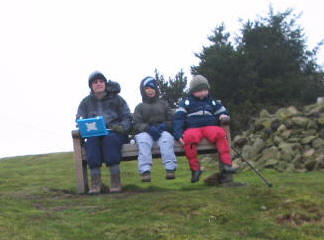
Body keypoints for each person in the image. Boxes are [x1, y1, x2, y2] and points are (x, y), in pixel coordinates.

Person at [173, 75, 236, 184]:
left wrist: (223, 116)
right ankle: (195, 169)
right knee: (189, 139)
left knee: (221, 134)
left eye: (204, 90)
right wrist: (178, 134)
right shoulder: (186, 103)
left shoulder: (212, 102)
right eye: (199, 91)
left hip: (210, 126)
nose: (202, 93)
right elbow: (179, 118)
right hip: (193, 128)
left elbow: (222, 111)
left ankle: (227, 164)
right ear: (192, 91)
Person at [76, 71, 132, 194]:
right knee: (91, 142)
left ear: (105, 84)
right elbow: (79, 119)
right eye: (95, 82)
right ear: (91, 86)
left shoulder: (117, 99)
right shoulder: (85, 102)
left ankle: (115, 182)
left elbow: (127, 116)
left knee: (110, 140)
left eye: (101, 81)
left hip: (115, 133)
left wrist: (122, 127)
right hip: (94, 134)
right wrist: (82, 126)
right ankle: (96, 184)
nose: (99, 84)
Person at [133, 76, 177, 182]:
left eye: (152, 88)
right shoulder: (139, 107)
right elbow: (136, 124)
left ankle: (170, 169)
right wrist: (147, 128)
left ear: (156, 90)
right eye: (147, 88)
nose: (150, 90)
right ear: (143, 91)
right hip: (146, 132)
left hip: (161, 131)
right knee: (143, 141)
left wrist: (164, 126)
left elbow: (172, 120)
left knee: (167, 139)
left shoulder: (164, 104)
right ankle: (145, 171)